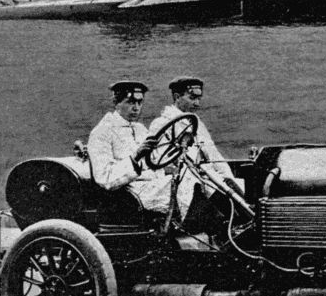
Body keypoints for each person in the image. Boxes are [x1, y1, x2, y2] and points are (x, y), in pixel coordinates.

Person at [148, 76, 244, 233]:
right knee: (210, 193)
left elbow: (213, 154)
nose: (197, 104)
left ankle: (242, 223)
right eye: (192, 98)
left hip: (204, 175)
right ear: (177, 97)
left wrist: (229, 178)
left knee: (231, 189)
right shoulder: (161, 124)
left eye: (199, 99)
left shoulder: (196, 123)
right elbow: (160, 160)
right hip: (182, 179)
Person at [87, 80, 178, 215]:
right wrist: (136, 156)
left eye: (139, 102)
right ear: (116, 103)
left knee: (191, 180)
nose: (136, 108)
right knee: (187, 186)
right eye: (130, 102)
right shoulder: (102, 132)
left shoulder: (140, 129)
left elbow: (153, 163)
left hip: (151, 186)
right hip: (129, 195)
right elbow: (105, 179)